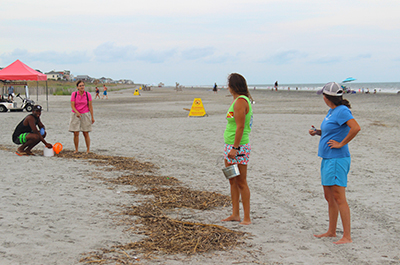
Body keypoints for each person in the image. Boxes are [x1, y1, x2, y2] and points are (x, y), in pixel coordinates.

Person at [309, 82, 361, 244]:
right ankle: (331, 231)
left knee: (339, 197)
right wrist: (317, 132)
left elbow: (356, 128)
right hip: (327, 158)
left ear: (327, 97)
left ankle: (347, 236)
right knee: (329, 196)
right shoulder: (332, 111)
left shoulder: (342, 111)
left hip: (337, 159)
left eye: (323, 95)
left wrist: (341, 143)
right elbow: (332, 131)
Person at [222, 73, 253, 225]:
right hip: (230, 145)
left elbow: (241, 126)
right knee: (232, 180)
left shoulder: (240, 102)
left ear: (233, 86)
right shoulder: (236, 101)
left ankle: (246, 217)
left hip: (238, 146)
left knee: (241, 181)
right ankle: (235, 213)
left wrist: (235, 148)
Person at [69, 81, 95, 153]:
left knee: (85, 132)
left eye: (83, 85)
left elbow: (90, 106)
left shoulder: (87, 94)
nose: (82, 87)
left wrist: (92, 117)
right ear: (77, 87)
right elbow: (72, 106)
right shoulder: (74, 94)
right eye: (80, 86)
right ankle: (76, 149)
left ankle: (88, 149)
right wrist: (77, 113)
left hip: (85, 114)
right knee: (76, 132)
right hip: (75, 114)